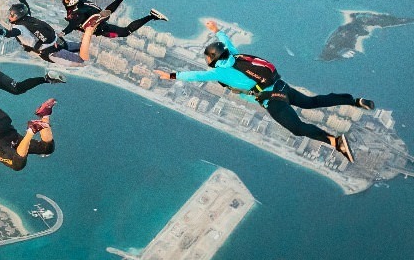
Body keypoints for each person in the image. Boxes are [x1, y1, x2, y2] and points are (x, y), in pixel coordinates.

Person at [154, 21, 373, 162]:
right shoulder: (236, 57)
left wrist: (171, 75)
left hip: (272, 99)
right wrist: (217, 31)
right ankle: (354, 101)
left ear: (212, 58)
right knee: (312, 102)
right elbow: (228, 43)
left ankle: (335, 142)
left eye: (207, 58)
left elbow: (195, 75)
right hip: (282, 86)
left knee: (297, 128)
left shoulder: (219, 73)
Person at [0, 3, 105, 65]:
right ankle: (90, 32)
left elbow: (8, 33)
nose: (9, 16)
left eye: (12, 14)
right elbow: (24, 3)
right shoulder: (29, 18)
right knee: (80, 46)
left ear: (17, 16)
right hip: (58, 41)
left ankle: (88, 32)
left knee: (81, 61)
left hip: (51, 52)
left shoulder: (19, 27)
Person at [43, 0, 168, 37]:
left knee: (126, 32)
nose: (64, 0)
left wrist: (63, 33)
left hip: (97, 25)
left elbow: (72, 25)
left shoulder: (75, 11)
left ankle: (93, 22)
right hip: (94, 11)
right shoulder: (79, 1)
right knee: (110, 13)